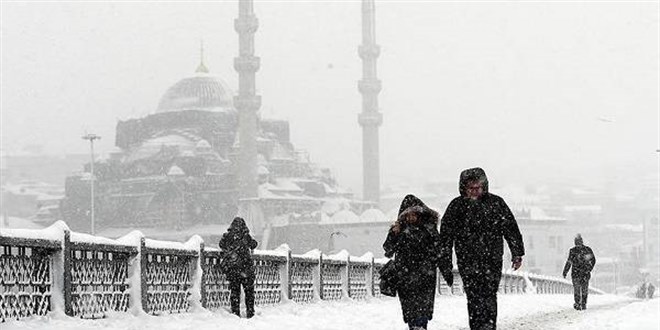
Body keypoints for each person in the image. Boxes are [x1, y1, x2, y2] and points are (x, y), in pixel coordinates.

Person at [438, 168, 525, 330]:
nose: (475, 192)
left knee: (490, 295)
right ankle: (478, 326)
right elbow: (445, 238)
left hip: (492, 259)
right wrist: (445, 264)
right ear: (463, 188)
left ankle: (489, 326)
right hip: (467, 260)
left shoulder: (496, 203)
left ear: (484, 186)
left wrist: (517, 253)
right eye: (471, 188)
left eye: (478, 188)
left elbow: (511, 228)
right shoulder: (456, 207)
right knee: (473, 296)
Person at [383, 194, 442, 330]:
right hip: (405, 276)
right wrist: (394, 234)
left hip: (424, 275)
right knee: (409, 309)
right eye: (407, 215)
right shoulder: (400, 231)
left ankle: (420, 326)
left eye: (413, 215)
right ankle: (414, 326)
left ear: (419, 214)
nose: (410, 218)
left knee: (423, 309)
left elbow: (438, 250)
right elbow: (388, 250)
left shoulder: (429, 230)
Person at [218, 217, 259, 318]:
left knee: (235, 292)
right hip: (246, 269)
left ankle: (235, 313)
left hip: (233, 269)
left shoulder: (228, 236)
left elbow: (221, 245)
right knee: (249, 292)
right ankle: (250, 312)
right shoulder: (245, 236)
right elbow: (254, 244)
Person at [562, 233, 596, 310]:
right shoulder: (587, 250)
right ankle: (583, 303)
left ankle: (578, 303)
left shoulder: (573, 251)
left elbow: (569, 262)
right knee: (584, 289)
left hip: (576, 273)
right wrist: (589, 268)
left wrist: (565, 271)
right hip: (584, 273)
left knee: (577, 289)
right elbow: (593, 260)